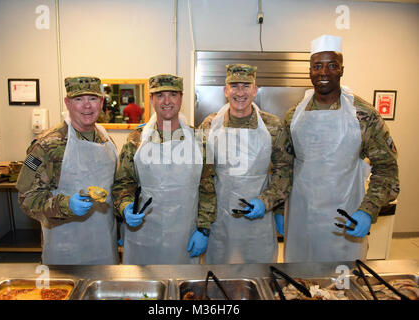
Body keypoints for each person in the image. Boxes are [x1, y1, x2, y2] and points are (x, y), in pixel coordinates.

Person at [282, 35, 400, 262]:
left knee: (343, 288)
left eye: (332, 65)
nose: (324, 72)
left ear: (341, 70)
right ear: (310, 71)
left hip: (346, 219)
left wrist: (368, 209)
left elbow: (386, 168)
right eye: (317, 66)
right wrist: (278, 210)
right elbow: (284, 167)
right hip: (301, 220)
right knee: (300, 286)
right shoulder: (293, 116)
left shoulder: (363, 115)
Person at [188, 64, 293, 264]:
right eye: (234, 85)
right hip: (219, 222)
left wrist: (268, 201)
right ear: (225, 90)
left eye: (246, 86)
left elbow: (285, 171)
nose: (240, 92)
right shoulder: (209, 126)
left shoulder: (272, 126)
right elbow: (201, 175)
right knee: (218, 282)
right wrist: (202, 224)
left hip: (259, 224)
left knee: (258, 281)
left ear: (255, 90)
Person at [16, 76, 120, 265]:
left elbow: (115, 189)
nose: (87, 106)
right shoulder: (46, 144)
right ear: (67, 103)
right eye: (79, 99)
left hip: (104, 246)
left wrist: (123, 225)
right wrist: (65, 205)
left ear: (101, 102)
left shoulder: (106, 140)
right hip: (64, 249)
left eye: (93, 98)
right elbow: (27, 198)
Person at [112, 74, 203, 264]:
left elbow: (208, 186)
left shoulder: (199, 138)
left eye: (173, 94)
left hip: (185, 235)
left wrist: (204, 230)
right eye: (160, 95)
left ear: (181, 98)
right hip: (143, 235)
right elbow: (123, 184)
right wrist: (125, 207)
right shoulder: (135, 139)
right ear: (151, 99)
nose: (167, 101)